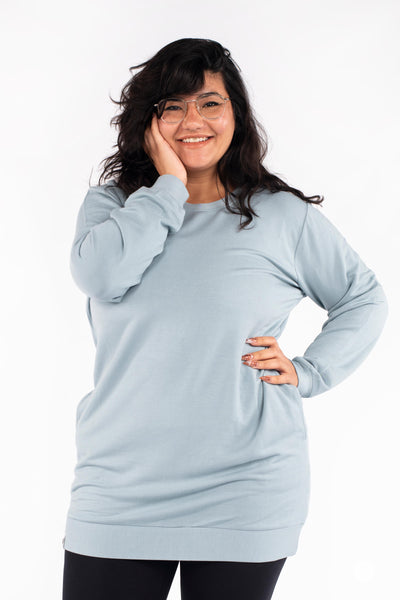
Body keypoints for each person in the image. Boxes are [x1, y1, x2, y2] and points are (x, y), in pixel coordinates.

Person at [61, 38, 389, 600]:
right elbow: (101, 277)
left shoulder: (279, 216)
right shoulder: (113, 207)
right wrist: (168, 187)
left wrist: (310, 371)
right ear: (149, 122)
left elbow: (363, 297)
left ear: (235, 113)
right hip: (118, 487)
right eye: (173, 106)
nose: (193, 121)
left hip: (245, 488)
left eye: (209, 103)